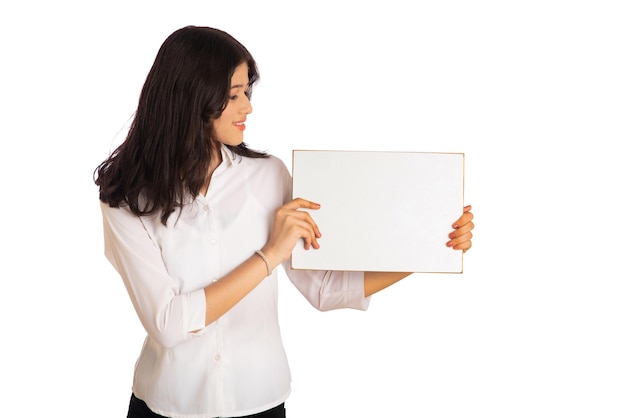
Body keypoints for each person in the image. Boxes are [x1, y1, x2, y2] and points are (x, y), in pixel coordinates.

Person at [94, 25, 474, 418]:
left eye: (247, 92)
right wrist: (269, 255)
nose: (248, 107)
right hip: (167, 404)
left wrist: (429, 244)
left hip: (259, 400)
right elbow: (168, 323)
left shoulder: (269, 176)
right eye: (233, 95)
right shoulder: (125, 198)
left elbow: (326, 288)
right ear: (192, 98)